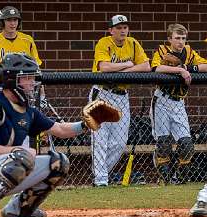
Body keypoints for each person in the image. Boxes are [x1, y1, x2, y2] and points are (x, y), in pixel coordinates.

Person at [0, 53, 93, 217]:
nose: (32, 83)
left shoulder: (27, 109)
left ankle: (19, 210)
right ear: (11, 80)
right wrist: (19, 151)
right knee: (21, 156)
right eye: (26, 78)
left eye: (32, 78)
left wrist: (88, 124)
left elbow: (60, 130)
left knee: (58, 162)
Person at [89, 15, 150, 186]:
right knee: (100, 139)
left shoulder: (133, 43)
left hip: (122, 96)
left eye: (125, 27)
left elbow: (146, 66)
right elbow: (104, 67)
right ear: (111, 30)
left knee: (119, 142)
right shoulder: (104, 42)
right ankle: (101, 180)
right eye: (118, 27)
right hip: (102, 93)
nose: (123, 30)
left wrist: (122, 72)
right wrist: (129, 65)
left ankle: (102, 175)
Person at [150, 23, 207, 184]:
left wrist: (190, 68)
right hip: (161, 100)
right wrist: (181, 70)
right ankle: (165, 180)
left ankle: (179, 179)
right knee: (164, 143)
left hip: (178, 102)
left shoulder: (189, 52)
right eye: (177, 38)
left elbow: (205, 65)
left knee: (186, 144)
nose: (180, 42)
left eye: (183, 38)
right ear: (169, 39)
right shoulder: (161, 50)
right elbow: (155, 68)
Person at [0, 5, 42, 94]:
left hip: (24, 87)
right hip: (2, 88)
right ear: (2, 22)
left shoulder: (28, 40)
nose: (13, 23)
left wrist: (42, 94)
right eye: (9, 20)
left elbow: (37, 68)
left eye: (15, 20)